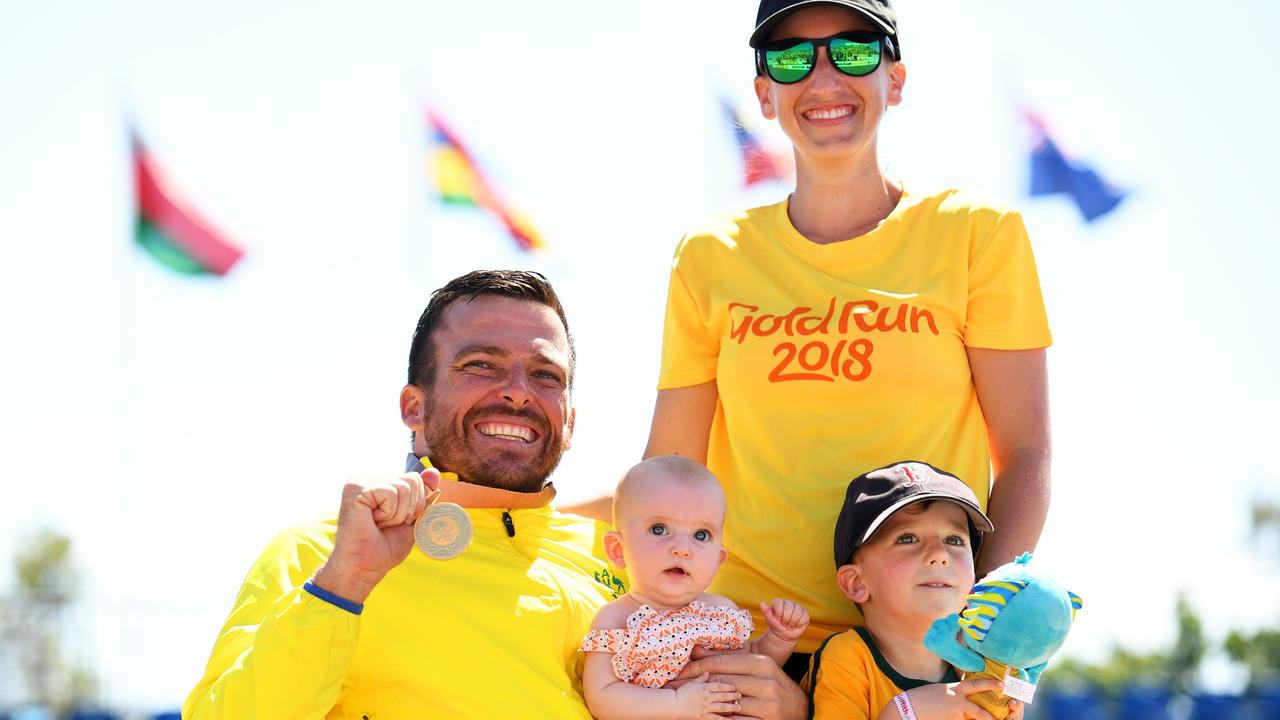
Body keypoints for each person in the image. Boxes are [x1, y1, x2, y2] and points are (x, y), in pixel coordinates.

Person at [641, 0, 1054, 673]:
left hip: (919, 655)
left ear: (895, 79)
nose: (824, 76)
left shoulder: (980, 234)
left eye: (855, 50)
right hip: (745, 651)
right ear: (765, 94)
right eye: (792, 57)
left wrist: (971, 645)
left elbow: (1027, 455)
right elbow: (667, 478)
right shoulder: (709, 257)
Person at [184, 270, 621, 719]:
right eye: (481, 365)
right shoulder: (320, 554)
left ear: (569, 422)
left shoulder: (632, 554)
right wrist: (344, 585)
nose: (516, 391)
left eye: (545, 374)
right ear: (414, 406)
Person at [581, 455, 810, 719]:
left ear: (718, 560)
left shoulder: (722, 612)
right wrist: (676, 704)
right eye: (659, 529)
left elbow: (751, 665)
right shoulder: (615, 620)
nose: (682, 549)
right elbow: (602, 695)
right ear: (618, 550)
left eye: (701, 535)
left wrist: (779, 640)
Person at [806, 461, 1021, 720]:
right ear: (856, 583)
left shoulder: (978, 668)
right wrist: (905, 711)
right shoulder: (848, 658)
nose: (939, 555)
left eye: (954, 540)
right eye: (907, 538)